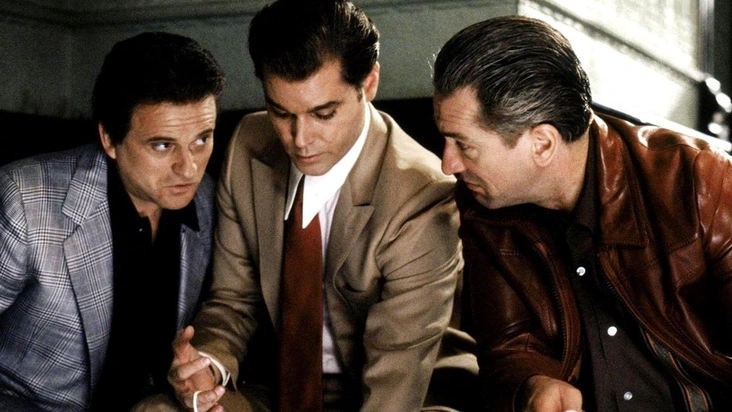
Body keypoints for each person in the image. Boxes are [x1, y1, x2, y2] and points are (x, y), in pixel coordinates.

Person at [163, 0, 469, 411]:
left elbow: (395, 382)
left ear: (369, 84)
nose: (300, 139)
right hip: (276, 390)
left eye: (323, 114)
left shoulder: (422, 196)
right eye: (280, 112)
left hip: (399, 394)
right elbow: (232, 301)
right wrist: (208, 365)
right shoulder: (248, 144)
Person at [432, 15, 732, 412]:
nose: (447, 165)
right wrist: (533, 385)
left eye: (464, 145)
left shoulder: (701, 181)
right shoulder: (483, 203)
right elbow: (509, 345)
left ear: (542, 143)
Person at [0, 31, 225, 411]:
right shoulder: (25, 199)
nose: (188, 168)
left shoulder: (207, 200)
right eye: (162, 145)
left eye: (202, 140)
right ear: (108, 138)